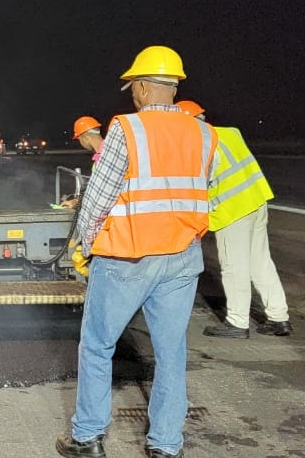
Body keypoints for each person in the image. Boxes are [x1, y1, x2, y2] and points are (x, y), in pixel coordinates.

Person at [56, 46, 217, 458]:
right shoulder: (204, 133)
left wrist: (85, 246)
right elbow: (202, 193)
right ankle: (166, 445)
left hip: (128, 254)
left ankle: (87, 438)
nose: (132, 93)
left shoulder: (127, 129)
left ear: (143, 87)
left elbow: (98, 198)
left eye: (132, 87)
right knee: (171, 354)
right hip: (182, 257)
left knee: (97, 346)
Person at [176, 100, 292, 338]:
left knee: (233, 266)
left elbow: (199, 183)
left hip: (232, 210)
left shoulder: (200, 145)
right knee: (260, 262)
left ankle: (237, 322)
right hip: (257, 200)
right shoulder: (230, 133)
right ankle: (279, 317)